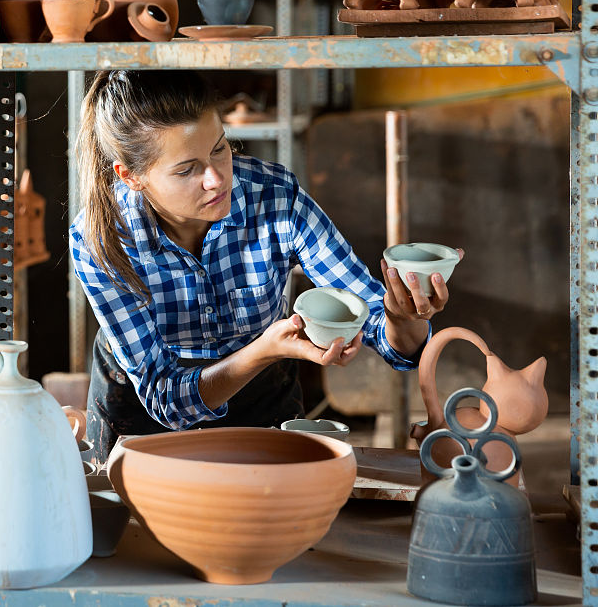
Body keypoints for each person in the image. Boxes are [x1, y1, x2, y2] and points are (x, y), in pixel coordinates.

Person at [69, 70, 462, 460]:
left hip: (263, 394)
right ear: (131, 176)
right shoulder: (100, 239)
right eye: (187, 169)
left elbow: (383, 331)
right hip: (143, 414)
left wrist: (402, 317)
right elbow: (167, 400)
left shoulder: (273, 197)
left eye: (220, 149)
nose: (216, 179)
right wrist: (262, 351)